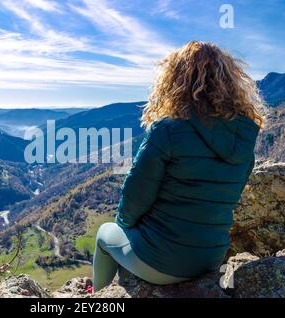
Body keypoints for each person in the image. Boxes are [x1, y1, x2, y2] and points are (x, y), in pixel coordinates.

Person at [92, 41, 264, 292]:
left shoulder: (168, 130)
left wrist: (125, 226)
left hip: (161, 262)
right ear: (230, 84)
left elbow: (134, 199)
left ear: (174, 80)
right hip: (210, 258)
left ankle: (98, 297)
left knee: (104, 234)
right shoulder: (243, 139)